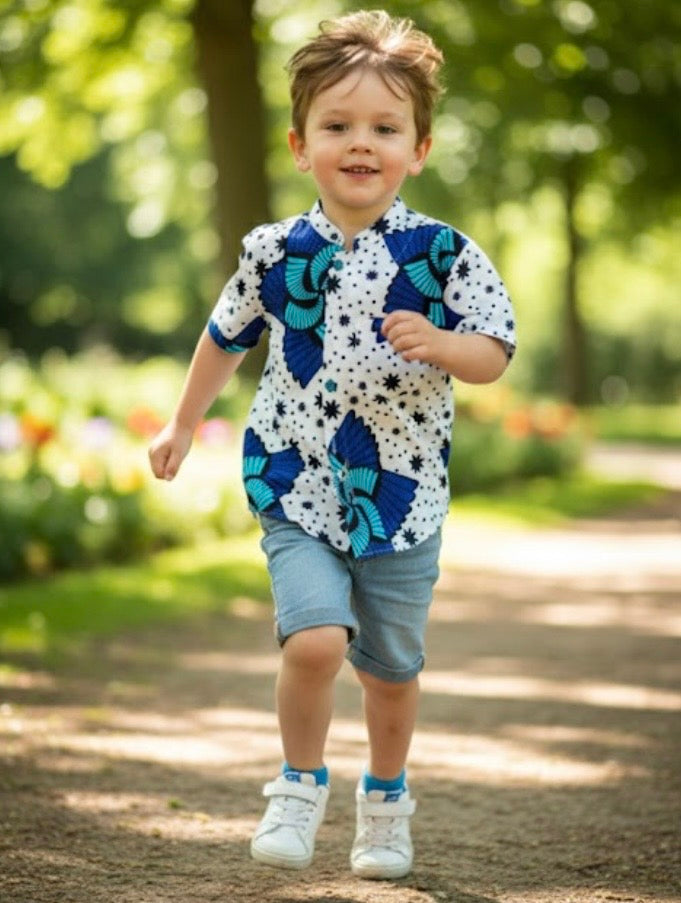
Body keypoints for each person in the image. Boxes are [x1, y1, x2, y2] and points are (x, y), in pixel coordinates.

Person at [148, 8, 516, 881]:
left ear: (417, 149)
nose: (361, 143)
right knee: (314, 640)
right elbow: (225, 334)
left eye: (384, 128)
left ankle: (384, 801)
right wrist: (182, 421)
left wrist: (443, 344)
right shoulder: (274, 250)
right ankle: (297, 782)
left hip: (402, 494)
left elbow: (495, 351)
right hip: (293, 477)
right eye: (337, 126)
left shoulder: (445, 254)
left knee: (389, 671)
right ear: (298, 144)